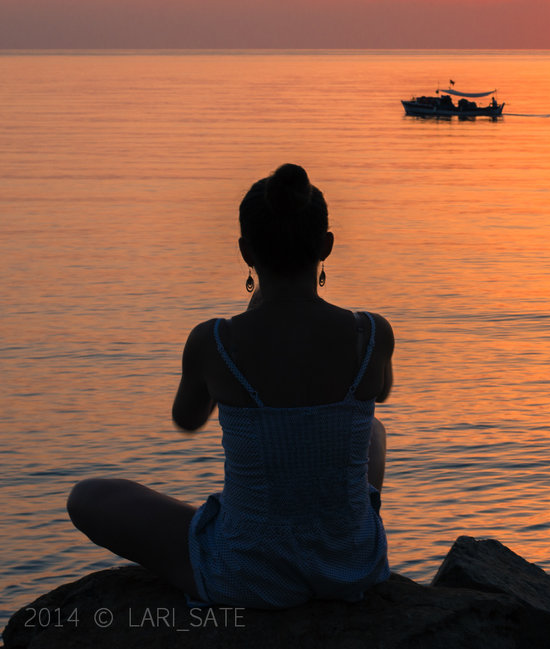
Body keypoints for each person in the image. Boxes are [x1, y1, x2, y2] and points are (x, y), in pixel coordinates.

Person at [67, 163, 393, 607]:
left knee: (87, 497)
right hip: (352, 565)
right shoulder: (372, 333)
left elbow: (187, 417)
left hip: (249, 572)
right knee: (371, 430)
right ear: (326, 246)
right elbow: (381, 391)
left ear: (245, 252)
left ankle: (239, 532)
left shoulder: (214, 341)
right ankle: (330, 535)